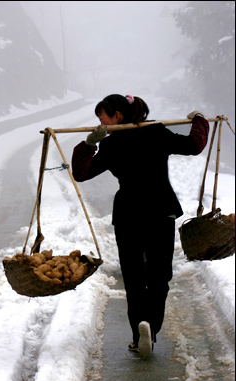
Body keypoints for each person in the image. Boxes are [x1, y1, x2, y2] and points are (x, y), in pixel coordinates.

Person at [71, 94, 209, 358]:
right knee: (159, 276)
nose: (100, 121)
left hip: (129, 215)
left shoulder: (111, 145)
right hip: (161, 211)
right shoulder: (155, 132)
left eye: (102, 116)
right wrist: (199, 120)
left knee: (134, 277)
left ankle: (138, 334)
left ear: (117, 116)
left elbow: (81, 173)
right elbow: (194, 145)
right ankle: (152, 328)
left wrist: (89, 145)